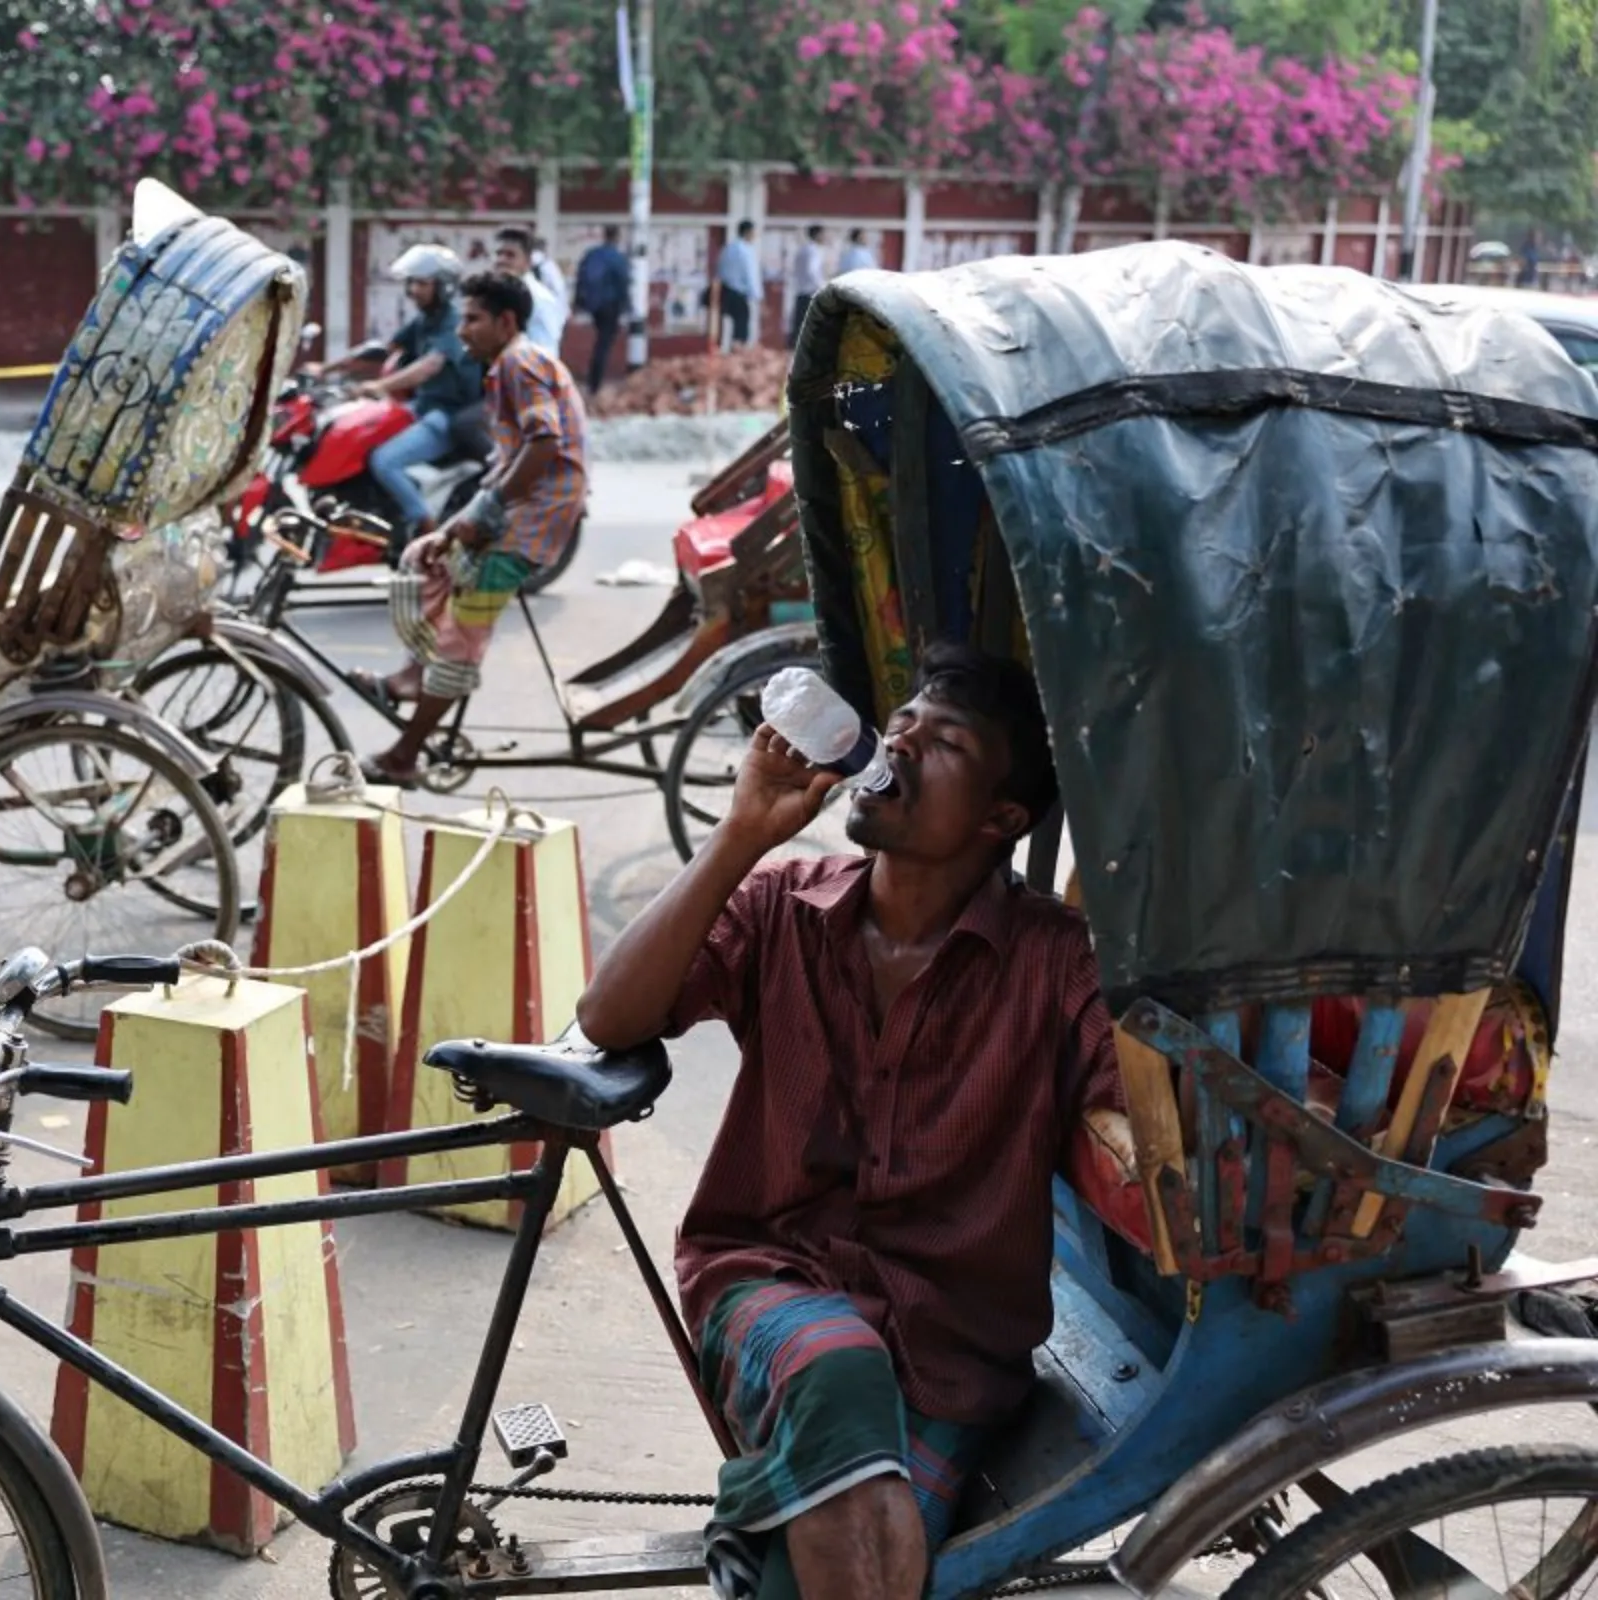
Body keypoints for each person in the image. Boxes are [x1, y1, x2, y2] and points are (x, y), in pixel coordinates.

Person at [576, 646, 1127, 1599]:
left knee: (812, 1576)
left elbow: (1140, 1100)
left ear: (1002, 819)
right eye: (901, 722)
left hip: (947, 1347)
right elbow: (608, 1018)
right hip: (768, 1287)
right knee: (835, 1367)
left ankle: (752, 1538)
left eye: (943, 741)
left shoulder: (1055, 963)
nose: (901, 741)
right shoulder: (782, 904)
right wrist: (742, 831)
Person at [355, 273, 586, 785]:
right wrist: (464, 523)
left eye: (473, 319)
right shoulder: (510, 362)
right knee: (428, 560)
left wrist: (482, 515)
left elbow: (543, 442)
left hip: (531, 518)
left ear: (506, 322)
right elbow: (514, 455)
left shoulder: (519, 362)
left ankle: (404, 756)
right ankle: (413, 676)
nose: (462, 331)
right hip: (515, 509)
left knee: (463, 632)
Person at [334, 244, 482, 543]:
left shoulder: (452, 321)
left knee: (384, 461)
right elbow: (384, 349)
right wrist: (326, 369)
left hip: (446, 415)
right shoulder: (426, 319)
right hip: (421, 406)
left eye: (422, 283)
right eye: (411, 282)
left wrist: (379, 386)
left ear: (443, 286)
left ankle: (426, 527)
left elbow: (429, 365)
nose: (414, 289)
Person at [574, 225, 633, 391]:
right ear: (617, 237)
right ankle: (595, 383)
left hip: (594, 305)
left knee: (601, 341)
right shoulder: (618, 258)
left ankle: (593, 380)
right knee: (604, 343)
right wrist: (626, 307)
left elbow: (580, 277)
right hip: (611, 305)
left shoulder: (592, 254)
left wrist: (580, 303)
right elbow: (623, 283)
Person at [494, 225, 567, 356]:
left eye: (510, 255)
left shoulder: (539, 298)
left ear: (527, 262)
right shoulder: (501, 291)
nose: (501, 260)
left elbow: (545, 354)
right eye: (499, 254)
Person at [715, 220, 761, 347]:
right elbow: (750, 275)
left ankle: (726, 351)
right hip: (739, 292)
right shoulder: (746, 251)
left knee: (725, 326)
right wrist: (757, 297)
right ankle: (737, 355)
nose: (755, 235)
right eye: (754, 232)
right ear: (747, 232)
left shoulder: (728, 248)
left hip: (724, 291)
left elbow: (719, 269)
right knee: (741, 328)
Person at [786, 223, 828, 350]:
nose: (825, 237)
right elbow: (812, 271)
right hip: (811, 293)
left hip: (801, 292)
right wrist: (823, 286)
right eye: (823, 234)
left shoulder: (802, 250)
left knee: (799, 326)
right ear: (817, 235)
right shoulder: (814, 251)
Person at [529, 235, 570, 309]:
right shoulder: (549, 265)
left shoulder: (523, 264)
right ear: (544, 248)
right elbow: (559, 289)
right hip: (547, 307)